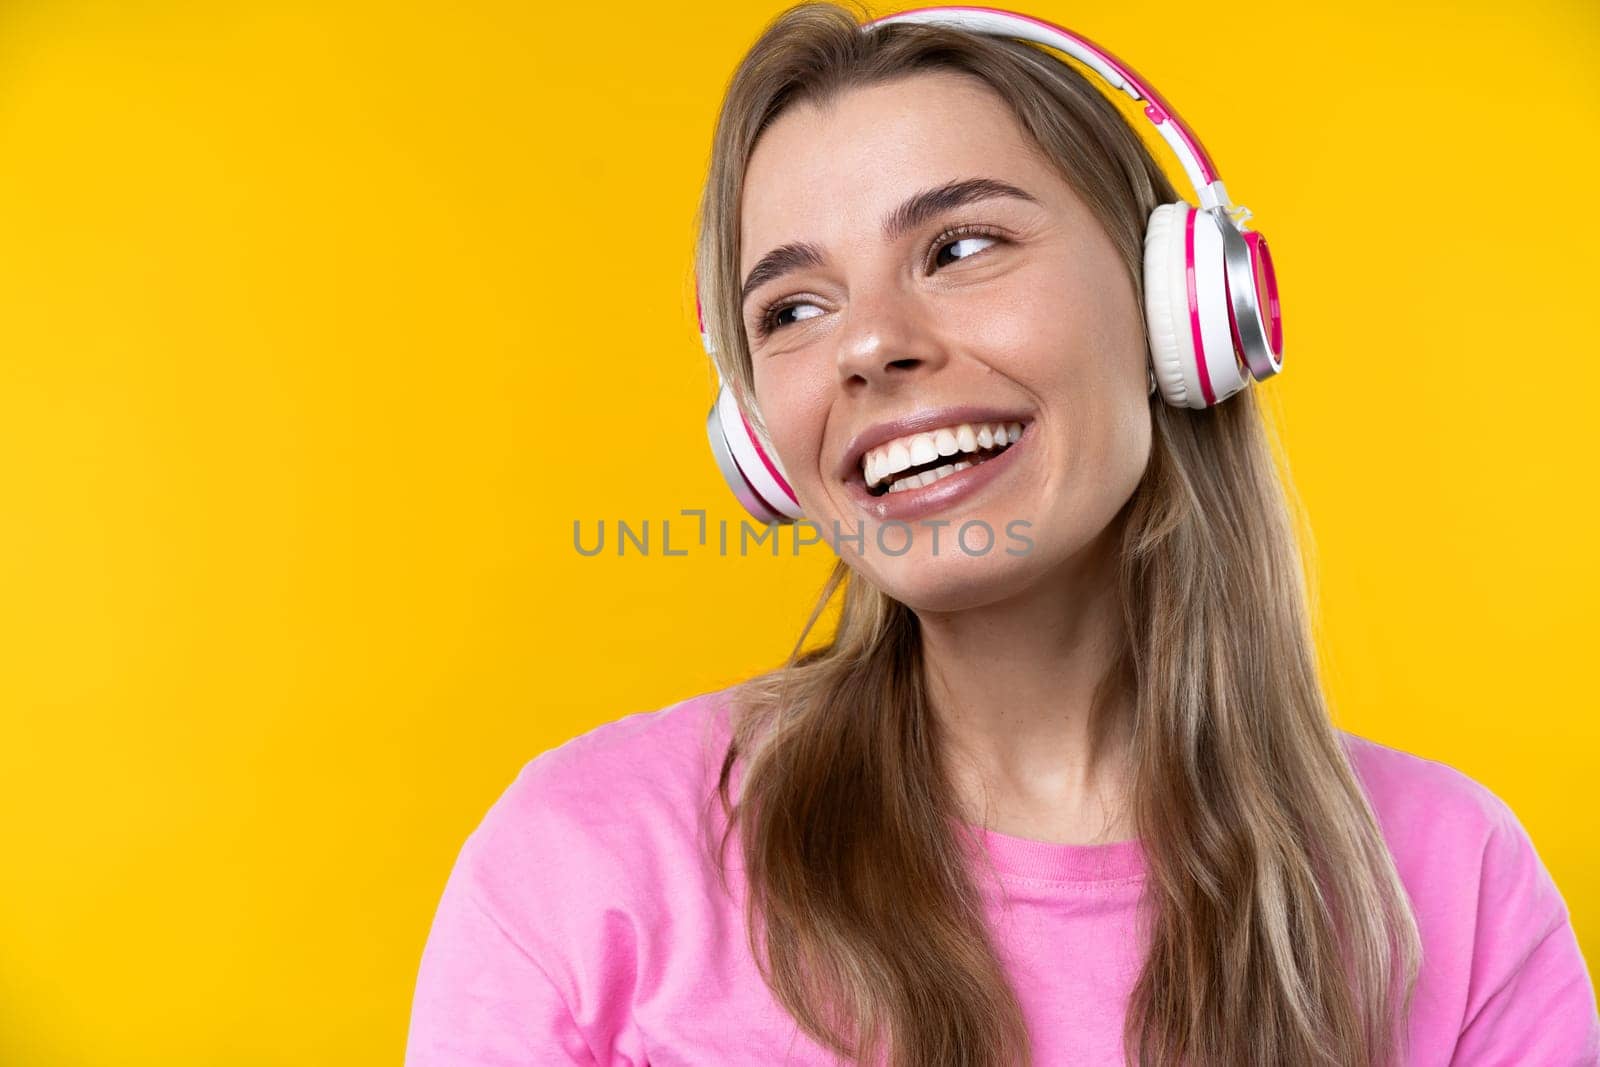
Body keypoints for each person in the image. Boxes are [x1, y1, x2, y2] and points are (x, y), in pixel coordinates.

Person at [404, 4, 1600, 1065]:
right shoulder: (580, 873)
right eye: (795, 308)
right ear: (761, 435)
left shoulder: (1458, 884)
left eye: (961, 245)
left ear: (1173, 304)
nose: (868, 342)